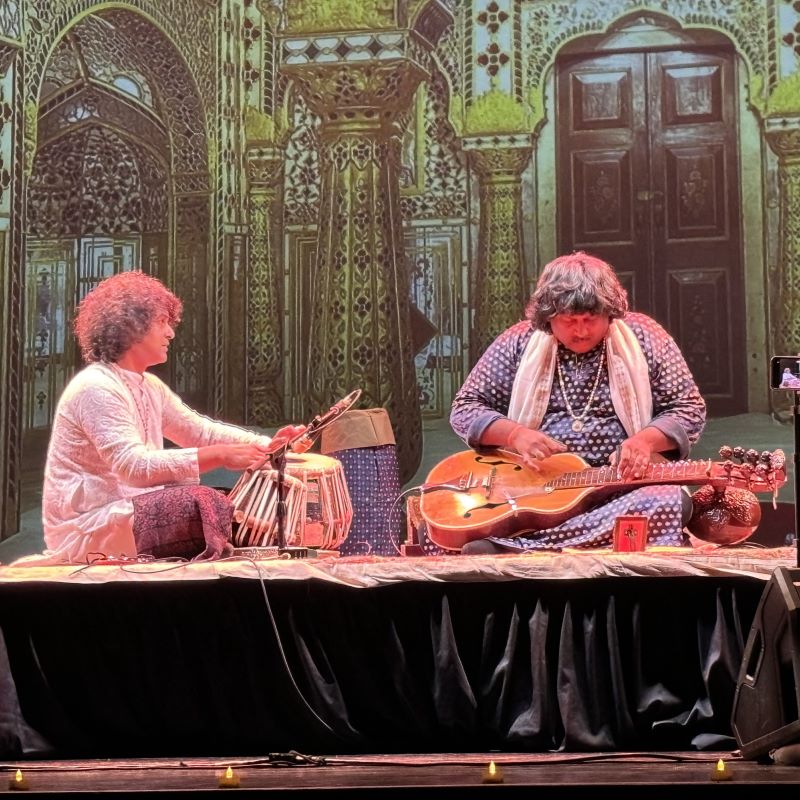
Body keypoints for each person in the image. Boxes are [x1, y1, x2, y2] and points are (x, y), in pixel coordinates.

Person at [435, 251, 707, 554]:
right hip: (534, 493)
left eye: (590, 319)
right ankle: (545, 537)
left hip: (617, 487)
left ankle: (515, 545)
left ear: (610, 313)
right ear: (547, 318)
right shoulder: (518, 342)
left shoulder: (645, 337)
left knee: (670, 501)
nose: (580, 331)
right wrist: (515, 435)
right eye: (568, 320)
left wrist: (644, 443)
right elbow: (466, 407)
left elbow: (688, 408)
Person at [38, 271, 306, 564]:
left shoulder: (148, 386)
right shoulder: (95, 387)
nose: (171, 333)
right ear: (131, 327)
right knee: (202, 503)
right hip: (90, 527)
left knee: (223, 502)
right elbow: (133, 466)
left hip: (129, 516)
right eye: (162, 323)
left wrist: (270, 445)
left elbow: (200, 431)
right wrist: (219, 456)